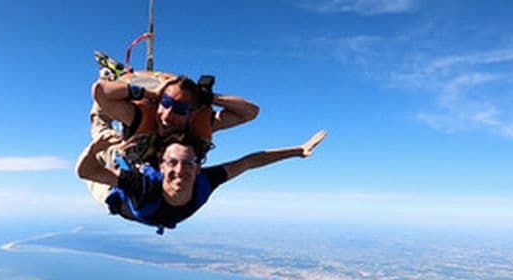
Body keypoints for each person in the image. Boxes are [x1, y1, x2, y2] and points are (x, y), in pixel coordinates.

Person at [76, 129, 328, 233]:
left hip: (137, 205)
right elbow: (86, 171)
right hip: (116, 193)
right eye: (173, 163)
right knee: (104, 137)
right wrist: (94, 147)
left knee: (111, 148)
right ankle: (108, 88)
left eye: (188, 164)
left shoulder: (206, 181)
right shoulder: (141, 185)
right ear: (162, 167)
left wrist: (297, 151)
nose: (180, 170)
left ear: (198, 169)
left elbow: (248, 162)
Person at [90, 74, 259, 163]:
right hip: (116, 150)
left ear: (191, 113)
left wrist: (209, 98)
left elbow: (251, 112)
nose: (167, 115)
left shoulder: (198, 123)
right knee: (101, 122)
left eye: (180, 109)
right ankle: (109, 77)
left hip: (148, 159)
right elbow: (100, 92)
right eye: (166, 103)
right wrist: (152, 94)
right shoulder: (141, 115)